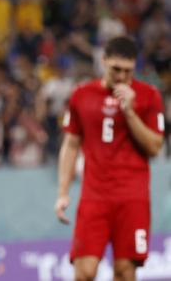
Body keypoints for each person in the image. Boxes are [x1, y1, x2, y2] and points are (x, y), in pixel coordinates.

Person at [54, 36, 165, 281]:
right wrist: (63, 192)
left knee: (125, 272)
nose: (122, 77)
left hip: (132, 197)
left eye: (128, 71)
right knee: (84, 272)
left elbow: (155, 147)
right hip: (94, 195)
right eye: (116, 69)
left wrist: (130, 112)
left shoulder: (149, 96)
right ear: (103, 61)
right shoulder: (81, 95)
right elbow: (71, 144)